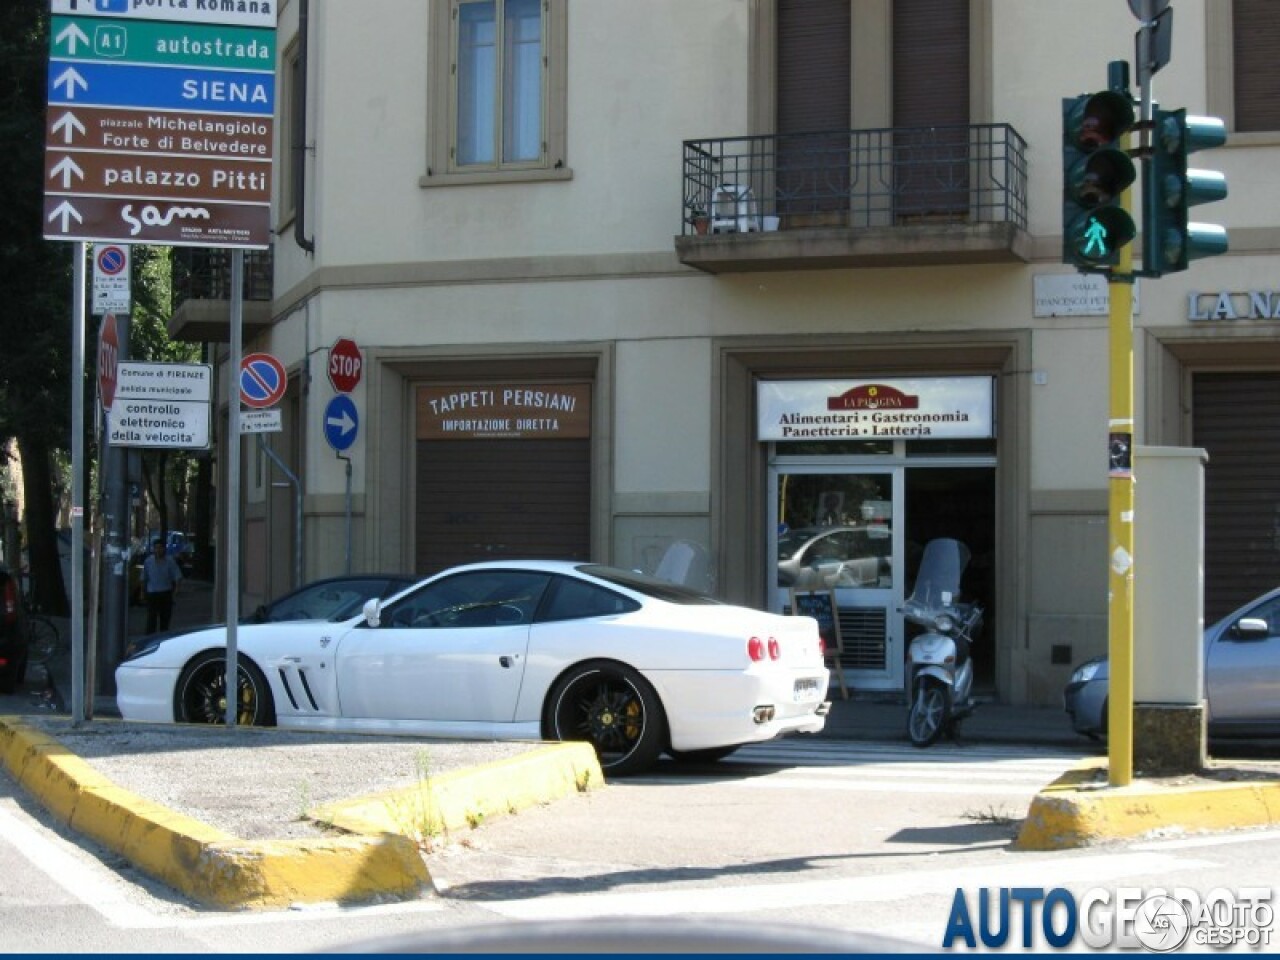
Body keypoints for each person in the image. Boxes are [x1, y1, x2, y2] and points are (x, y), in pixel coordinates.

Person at [142, 536, 183, 633]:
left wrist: (176, 590)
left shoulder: (170, 561)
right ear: (153, 549)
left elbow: (177, 576)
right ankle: (149, 640)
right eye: (156, 548)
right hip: (152, 594)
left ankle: (163, 639)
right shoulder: (148, 562)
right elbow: (144, 578)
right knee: (151, 619)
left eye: (161, 547)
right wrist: (142, 592)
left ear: (164, 548)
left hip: (166, 593)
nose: (158, 550)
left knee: (165, 620)